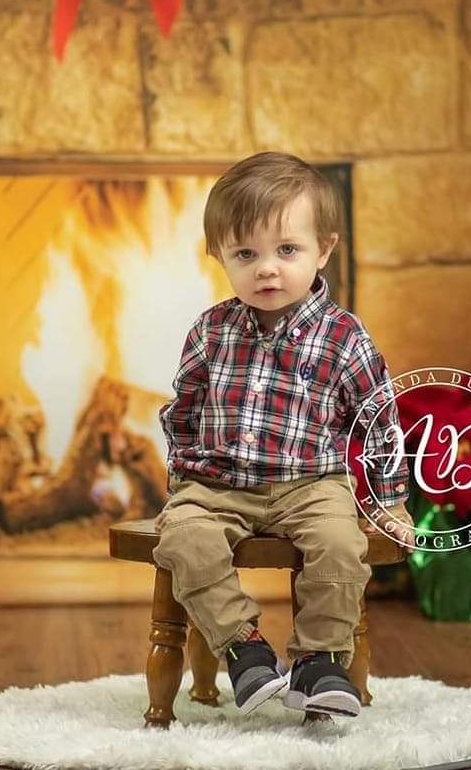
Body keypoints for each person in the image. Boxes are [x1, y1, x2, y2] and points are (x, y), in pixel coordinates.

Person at [155, 151, 412, 719]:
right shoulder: (211, 329)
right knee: (182, 539)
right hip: (220, 482)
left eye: (287, 251)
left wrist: (389, 500)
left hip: (311, 484)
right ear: (217, 254)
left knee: (342, 549)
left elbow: (377, 421)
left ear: (324, 249)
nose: (266, 269)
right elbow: (185, 409)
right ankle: (244, 649)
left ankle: (319, 660)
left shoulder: (343, 336)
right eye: (246, 253)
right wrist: (182, 482)